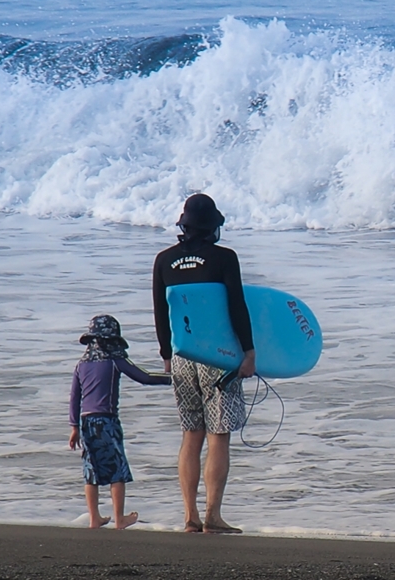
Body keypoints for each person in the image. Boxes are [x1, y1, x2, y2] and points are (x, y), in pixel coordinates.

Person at [152, 192, 256, 534]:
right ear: (213, 227)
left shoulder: (164, 260)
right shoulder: (224, 258)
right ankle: (213, 515)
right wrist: (249, 352)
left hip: (183, 358)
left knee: (191, 434)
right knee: (219, 435)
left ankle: (190, 517)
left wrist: (167, 355)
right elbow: (237, 307)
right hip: (219, 358)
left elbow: (162, 313)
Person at [69, 315, 171, 529]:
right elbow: (144, 377)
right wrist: (172, 379)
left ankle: (94, 517)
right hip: (107, 421)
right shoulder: (115, 361)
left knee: (90, 469)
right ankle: (119, 518)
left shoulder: (81, 365)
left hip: (86, 422)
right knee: (117, 468)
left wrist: (74, 427)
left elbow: (75, 398)